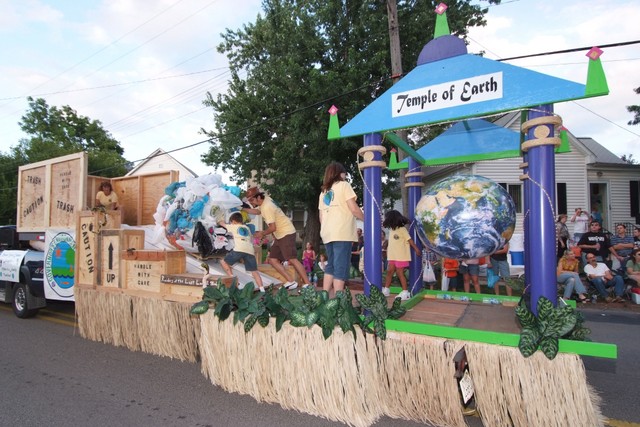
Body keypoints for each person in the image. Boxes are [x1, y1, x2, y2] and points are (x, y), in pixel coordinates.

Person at [244, 186, 310, 290]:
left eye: (252, 199)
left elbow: (272, 227)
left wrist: (262, 233)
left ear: (258, 197)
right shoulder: (265, 199)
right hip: (280, 235)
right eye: (249, 200)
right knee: (272, 259)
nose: (251, 202)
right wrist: (244, 209)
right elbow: (257, 212)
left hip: (286, 233)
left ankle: (308, 284)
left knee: (292, 259)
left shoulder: (267, 207)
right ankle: (291, 281)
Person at [318, 162, 364, 294]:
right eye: (344, 173)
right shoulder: (344, 185)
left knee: (331, 265)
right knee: (340, 266)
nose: (345, 176)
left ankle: (325, 297)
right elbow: (354, 209)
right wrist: (368, 220)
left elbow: (321, 217)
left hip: (327, 233)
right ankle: (339, 300)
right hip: (342, 232)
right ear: (340, 173)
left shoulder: (324, 192)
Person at [218, 212, 265, 292]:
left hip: (239, 249)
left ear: (233, 221)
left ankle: (233, 279)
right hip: (250, 250)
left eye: (231, 222)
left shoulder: (234, 227)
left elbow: (222, 224)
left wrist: (219, 218)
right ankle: (262, 290)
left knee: (223, 262)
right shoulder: (247, 228)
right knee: (254, 271)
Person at [382, 210, 421, 300]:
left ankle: (405, 292)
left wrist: (416, 249)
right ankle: (386, 289)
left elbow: (409, 240)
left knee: (400, 273)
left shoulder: (402, 229)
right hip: (392, 256)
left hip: (401, 256)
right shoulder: (392, 229)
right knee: (389, 272)